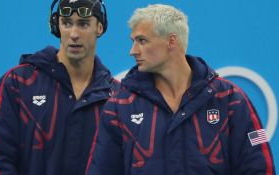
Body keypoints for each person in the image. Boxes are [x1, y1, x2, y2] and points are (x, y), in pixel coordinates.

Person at [86, 4, 276, 175]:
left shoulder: (230, 99)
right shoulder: (119, 106)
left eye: (142, 41)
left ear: (171, 41)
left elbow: (259, 168)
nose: (133, 50)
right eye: (133, 41)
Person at [0, 0, 119, 174]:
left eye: (83, 24)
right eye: (67, 23)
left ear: (100, 27)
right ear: (56, 26)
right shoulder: (17, 84)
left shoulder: (120, 98)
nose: (74, 34)